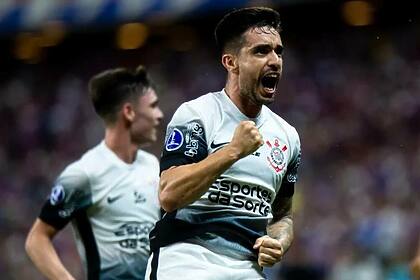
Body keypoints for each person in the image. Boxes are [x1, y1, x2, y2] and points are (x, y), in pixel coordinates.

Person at [146, 7, 301, 280]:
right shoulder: (197, 114)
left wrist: (279, 243)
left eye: (279, 51)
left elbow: (282, 216)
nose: (275, 60)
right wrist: (232, 151)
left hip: (247, 269)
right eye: (261, 51)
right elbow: (169, 195)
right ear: (231, 62)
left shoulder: (287, 136)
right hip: (186, 261)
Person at [25, 65, 164, 280]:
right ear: (129, 112)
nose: (159, 115)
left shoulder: (153, 165)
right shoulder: (84, 174)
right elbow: (37, 239)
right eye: (153, 106)